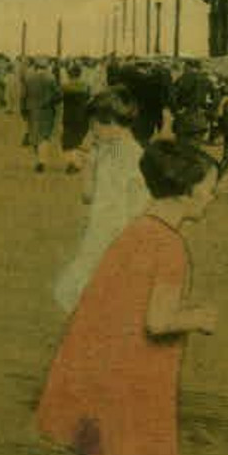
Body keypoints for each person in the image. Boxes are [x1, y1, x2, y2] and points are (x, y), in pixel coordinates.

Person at [35, 139, 220, 455]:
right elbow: (159, 320)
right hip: (142, 379)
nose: (212, 197)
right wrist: (199, 318)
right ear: (184, 191)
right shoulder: (171, 246)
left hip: (109, 376)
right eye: (208, 188)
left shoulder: (135, 231)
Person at [53, 89, 149, 313]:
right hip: (122, 235)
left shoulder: (115, 156)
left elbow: (90, 197)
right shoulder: (130, 151)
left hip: (111, 237)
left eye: (94, 124)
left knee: (80, 297)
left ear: (111, 122)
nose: (91, 131)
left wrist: (88, 165)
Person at [23, 59, 62, 172]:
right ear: (46, 67)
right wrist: (52, 102)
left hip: (32, 110)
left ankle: (38, 159)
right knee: (44, 136)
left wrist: (23, 109)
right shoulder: (50, 79)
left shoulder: (29, 79)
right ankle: (42, 160)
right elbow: (58, 95)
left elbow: (23, 96)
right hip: (46, 111)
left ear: (36, 67)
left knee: (35, 135)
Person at [58, 64, 92, 173]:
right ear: (80, 74)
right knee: (79, 140)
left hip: (69, 117)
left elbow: (57, 98)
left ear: (69, 74)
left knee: (68, 141)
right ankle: (78, 163)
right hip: (83, 116)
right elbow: (89, 98)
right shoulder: (86, 86)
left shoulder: (65, 87)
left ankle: (74, 163)